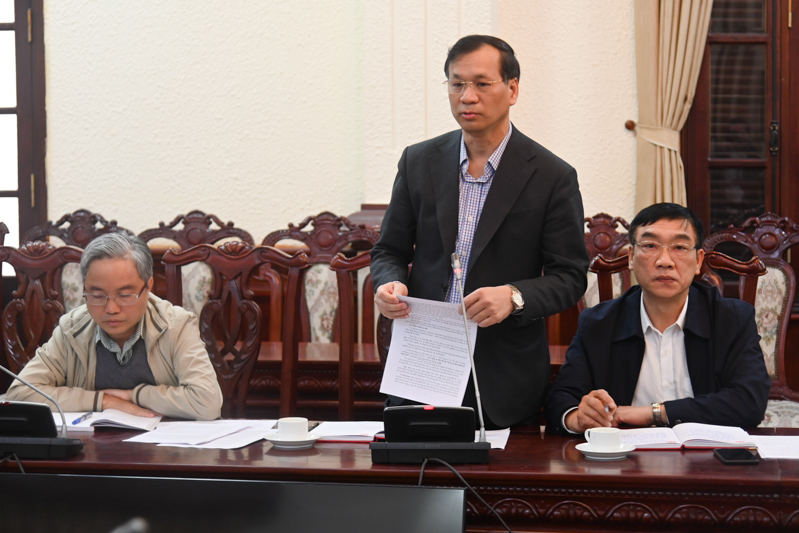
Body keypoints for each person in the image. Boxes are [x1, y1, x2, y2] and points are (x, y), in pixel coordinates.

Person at [370, 35, 589, 429]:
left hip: (503, 373)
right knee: (412, 465)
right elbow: (389, 251)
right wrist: (389, 284)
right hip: (424, 360)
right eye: (457, 84)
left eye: (482, 84)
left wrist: (515, 296)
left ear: (512, 89)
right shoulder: (419, 161)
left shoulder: (552, 176)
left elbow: (570, 276)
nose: (467, 96)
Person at [546, 203, 770, 434]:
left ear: (698, 261)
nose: (665, 261)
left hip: (707, 452)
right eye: (650, 246)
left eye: (680, 247)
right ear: (631, 257)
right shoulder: (599, 323)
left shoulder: (732, 319)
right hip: (624, 451)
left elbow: (749, 401)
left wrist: (651, 413)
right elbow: (561, 398)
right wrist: (577, 417)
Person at [6, 232, 223, 420]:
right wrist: (104, 401)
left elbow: (207, 402)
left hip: (165, 448)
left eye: (125, 295)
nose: (111, 308)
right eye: (97, 295)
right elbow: (20, 393)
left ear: (148, 287)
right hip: (92, 449)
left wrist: (134, 395)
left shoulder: (177, 326)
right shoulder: (72, 329)